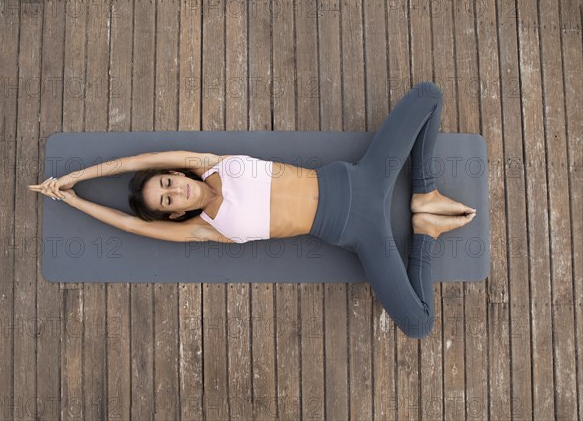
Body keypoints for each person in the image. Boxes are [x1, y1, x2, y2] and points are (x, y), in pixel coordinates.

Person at [30, 81, 475, 339]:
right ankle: (426, 234)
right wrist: (73, 201)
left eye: (167, 182)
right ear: (170, 216)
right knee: (418, 324)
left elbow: (135, 162)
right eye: (166, 201)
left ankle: (424, 196)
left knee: (429, 94)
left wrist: (75, 177)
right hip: (354, 230)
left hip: (361, 177)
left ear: (176, 172)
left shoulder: (209, 163)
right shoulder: (204, 230)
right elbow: (128, 224)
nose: (174, 192)